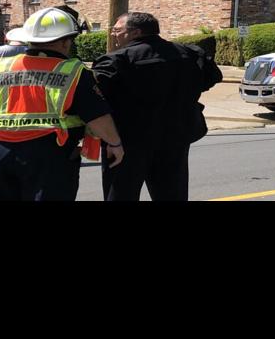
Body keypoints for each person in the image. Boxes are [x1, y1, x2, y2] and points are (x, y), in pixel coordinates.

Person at [0, 7, 126, 201]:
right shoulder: (74, 72)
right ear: (65, 41)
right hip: (50, 154)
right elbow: (97, 115)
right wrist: (115, 143)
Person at [91, 11, 223, 202]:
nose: (113, 34)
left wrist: (110, 140)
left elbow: (96, 99)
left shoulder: (116, 61)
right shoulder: (189, 54)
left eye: (117, 30)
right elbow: (212, 78)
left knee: (120, 195)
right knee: (172, 195)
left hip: (127, 144)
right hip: (175, 140)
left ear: (135, 32)